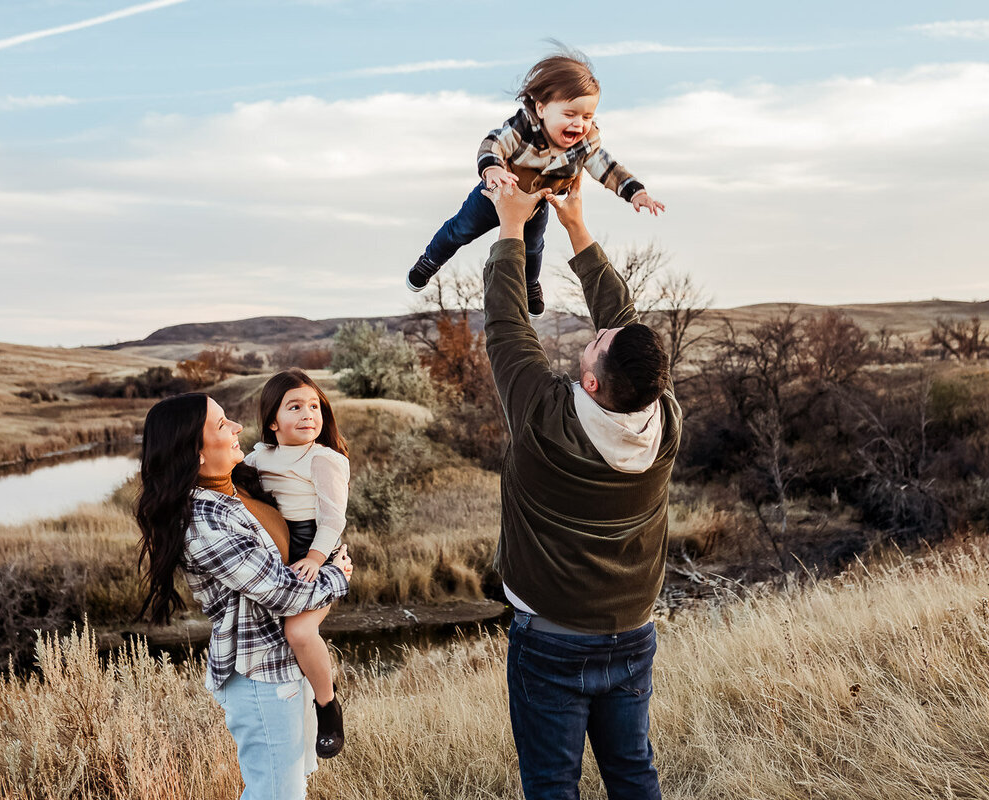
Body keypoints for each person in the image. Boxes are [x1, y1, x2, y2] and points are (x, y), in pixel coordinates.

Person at [480, 178, 681, 800]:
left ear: (593, 384)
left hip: (551, 639)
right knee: (632, 774)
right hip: (633, 630)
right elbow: (623, 328)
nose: (591, 337)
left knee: (550, 785)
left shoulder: (546, 421)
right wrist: (576, 228)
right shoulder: (663, 420)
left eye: (593, 346)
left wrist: (512, 228)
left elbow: (506, 327)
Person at [135, 392, 353, 800]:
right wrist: (337, 574)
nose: (237, 427)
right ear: (195, 454)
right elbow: (283, 593)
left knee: (291, 786)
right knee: (275, 793)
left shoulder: (240, 487)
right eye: (221, 424)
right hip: (260, 675)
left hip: (286, 664)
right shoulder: (203, 524)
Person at [407, 49, 665, 317]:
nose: (579, 124)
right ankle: (430, 261)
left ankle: (530, 285)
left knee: (533, 248)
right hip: (496, 194)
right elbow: (492, 143)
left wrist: (636, 192)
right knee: (459, 230)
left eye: (587, 117)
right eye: (570, 114)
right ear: (541, 108)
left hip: (537, 204)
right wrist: (493, 168)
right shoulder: (522, 127)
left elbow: (608, 169)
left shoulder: (585, 144)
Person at [244, 368, 351, 759]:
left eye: (314, 406)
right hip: (277, 547)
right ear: (273, 420)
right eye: (295, 407)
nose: (308, 414)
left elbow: (333, 519)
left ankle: (328, 707)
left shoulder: (323, 459)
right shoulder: (259, 456)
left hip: (314, 548)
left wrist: (316, 558)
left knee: (300, 634)